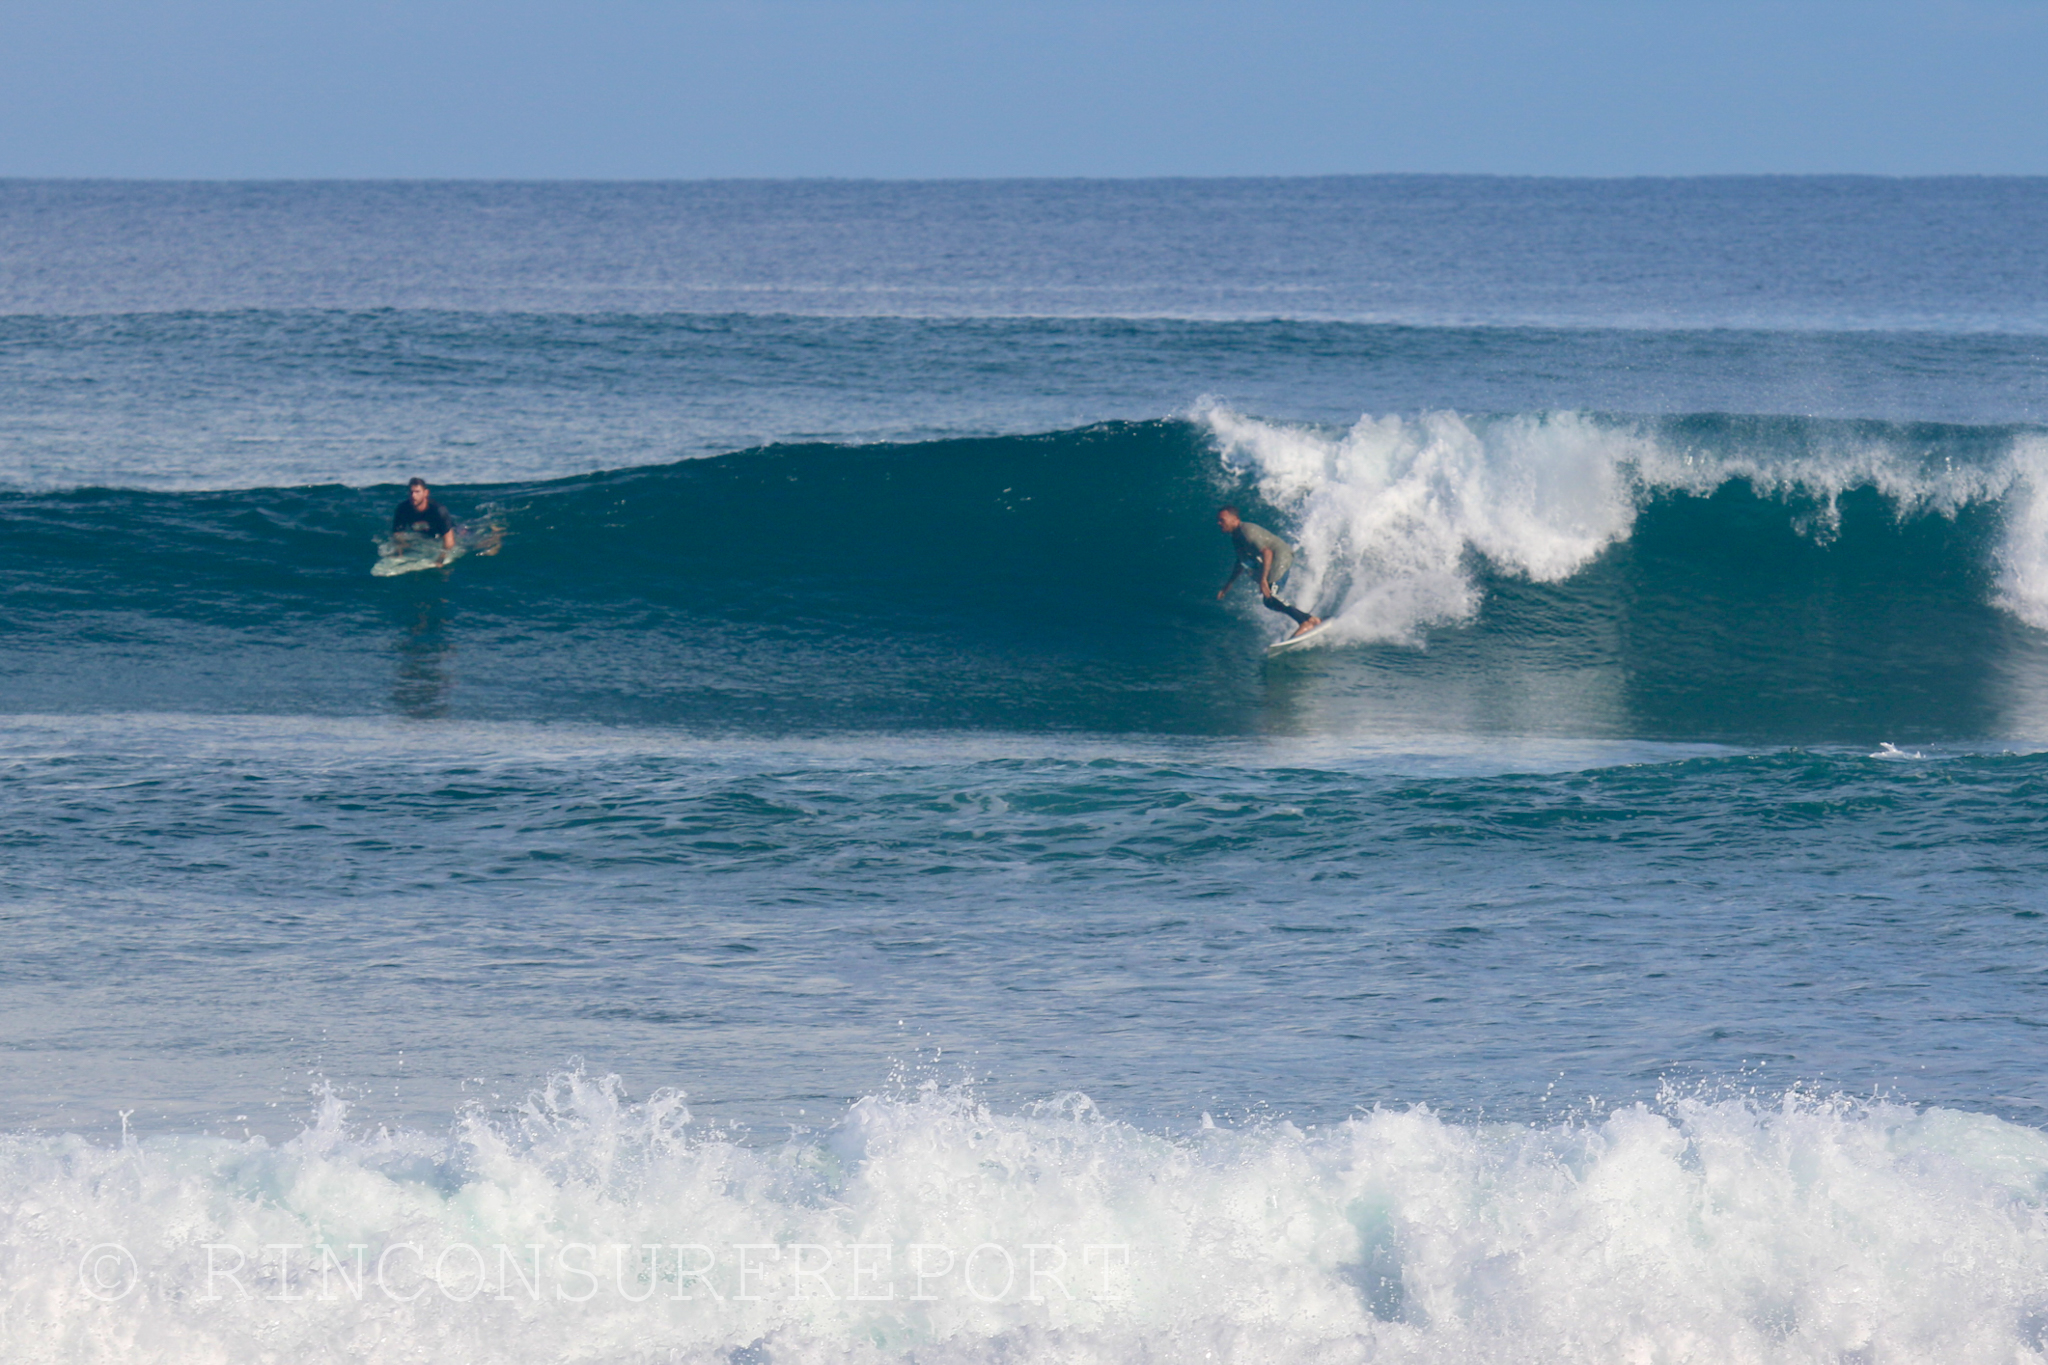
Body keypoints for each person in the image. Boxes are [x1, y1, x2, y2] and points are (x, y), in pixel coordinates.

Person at [1216, 506, 1321, 639]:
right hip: (1273, 560)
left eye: (1222, 520)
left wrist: (1263, 580)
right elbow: (1241, 561)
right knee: (1269, 601)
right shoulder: (1236, 537)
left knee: (1271, 596)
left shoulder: (1247, 532)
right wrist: (1228, 584)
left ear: (1235, 519)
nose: (1219, 523)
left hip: (1280, 556)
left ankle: (1305, 622)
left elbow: (1267, 552)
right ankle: (1311, 620)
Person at [393, 477, 457, 559]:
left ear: (426, 493)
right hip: (425, 535)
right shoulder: (402, 509)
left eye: (417, 492)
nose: (413, 495)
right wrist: (400, 552)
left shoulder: (438, 510)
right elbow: (397, 534)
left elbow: (449, 541)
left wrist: (441, 559)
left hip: (451, 533)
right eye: (411, 492)